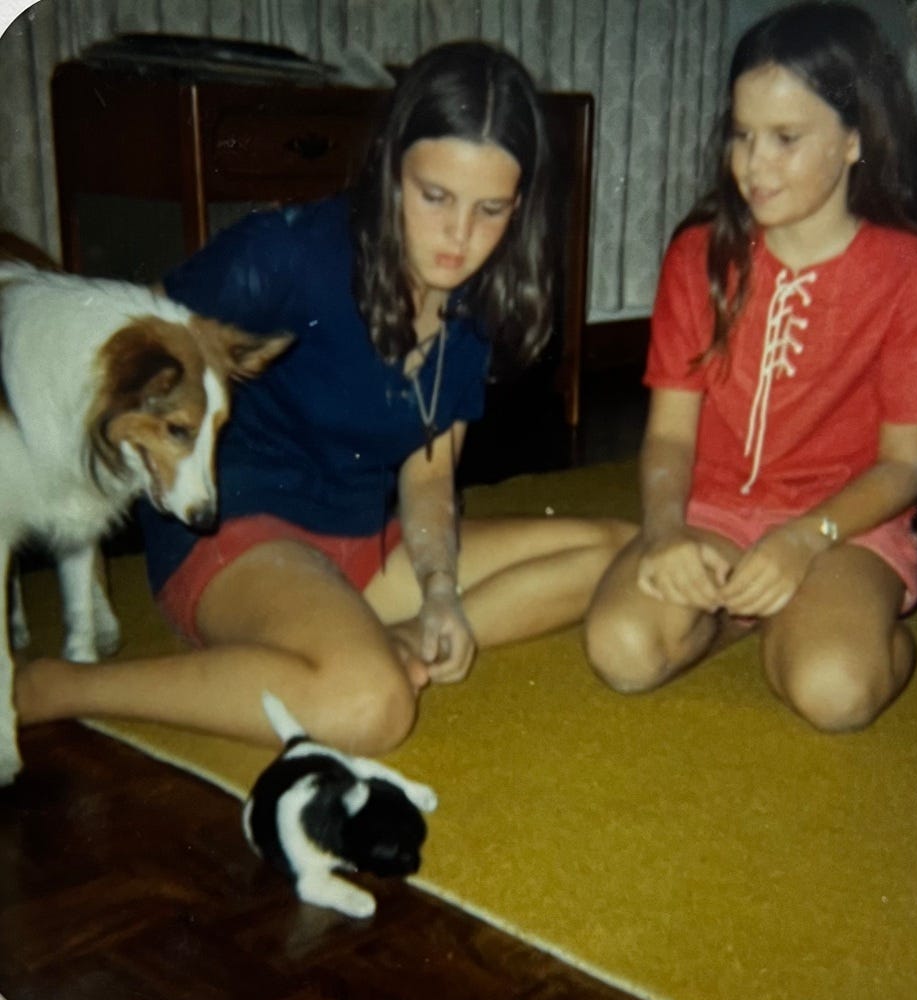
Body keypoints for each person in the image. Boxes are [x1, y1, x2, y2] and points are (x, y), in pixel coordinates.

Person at [13, 41, 635, 757]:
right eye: (435, 196)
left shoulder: (481, 300)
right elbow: (136, 338)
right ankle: (58, 687)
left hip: (361, 540)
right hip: (238, 536)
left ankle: (385, 637)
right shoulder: (281, 252)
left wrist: (438, 591)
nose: (459, 239)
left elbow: (429, 474)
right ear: (390, 166)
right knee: (369, 706)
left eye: (490, 209)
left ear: (518, 204)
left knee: (619, 550)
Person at [584, 2, 917, 732]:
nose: (753, 165)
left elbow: (904, 469)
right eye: (741, 135)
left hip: (843, 523)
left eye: (785, 139)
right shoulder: (698, 256)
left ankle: (835, 620)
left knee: (834, 694)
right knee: (620, 651)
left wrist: (801, 540)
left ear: (854, 140)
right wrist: (664, 529)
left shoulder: (916, 274)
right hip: (713, 511)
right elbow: (668, 437)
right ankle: (747, 614)